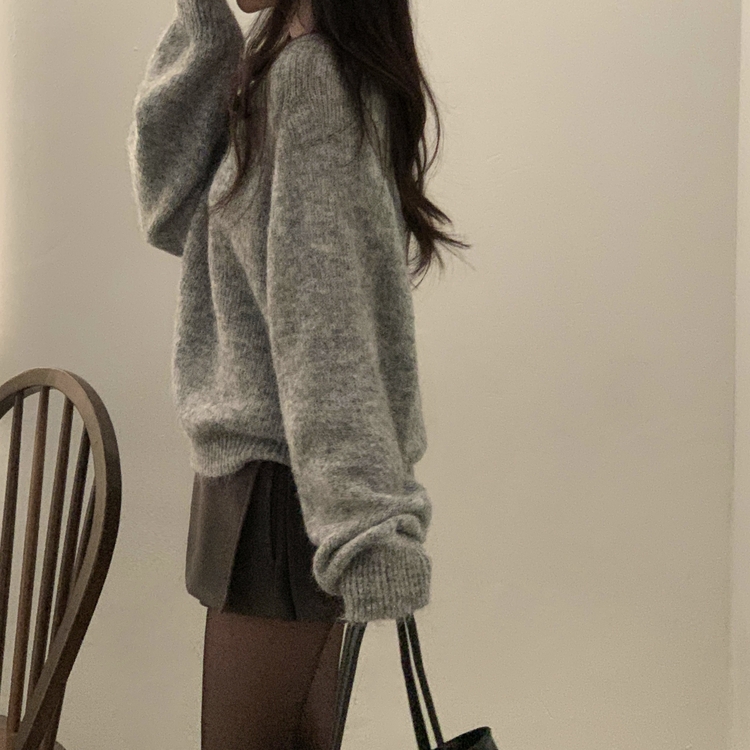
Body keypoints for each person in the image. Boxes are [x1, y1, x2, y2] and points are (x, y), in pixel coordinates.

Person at [126, 0, 468, 746]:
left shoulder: (309, 80)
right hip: (267, 483)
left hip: (286, 495)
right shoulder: (278, 61)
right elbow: (170, 207)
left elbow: (328, 324)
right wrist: (203, 23)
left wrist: (368, 527)